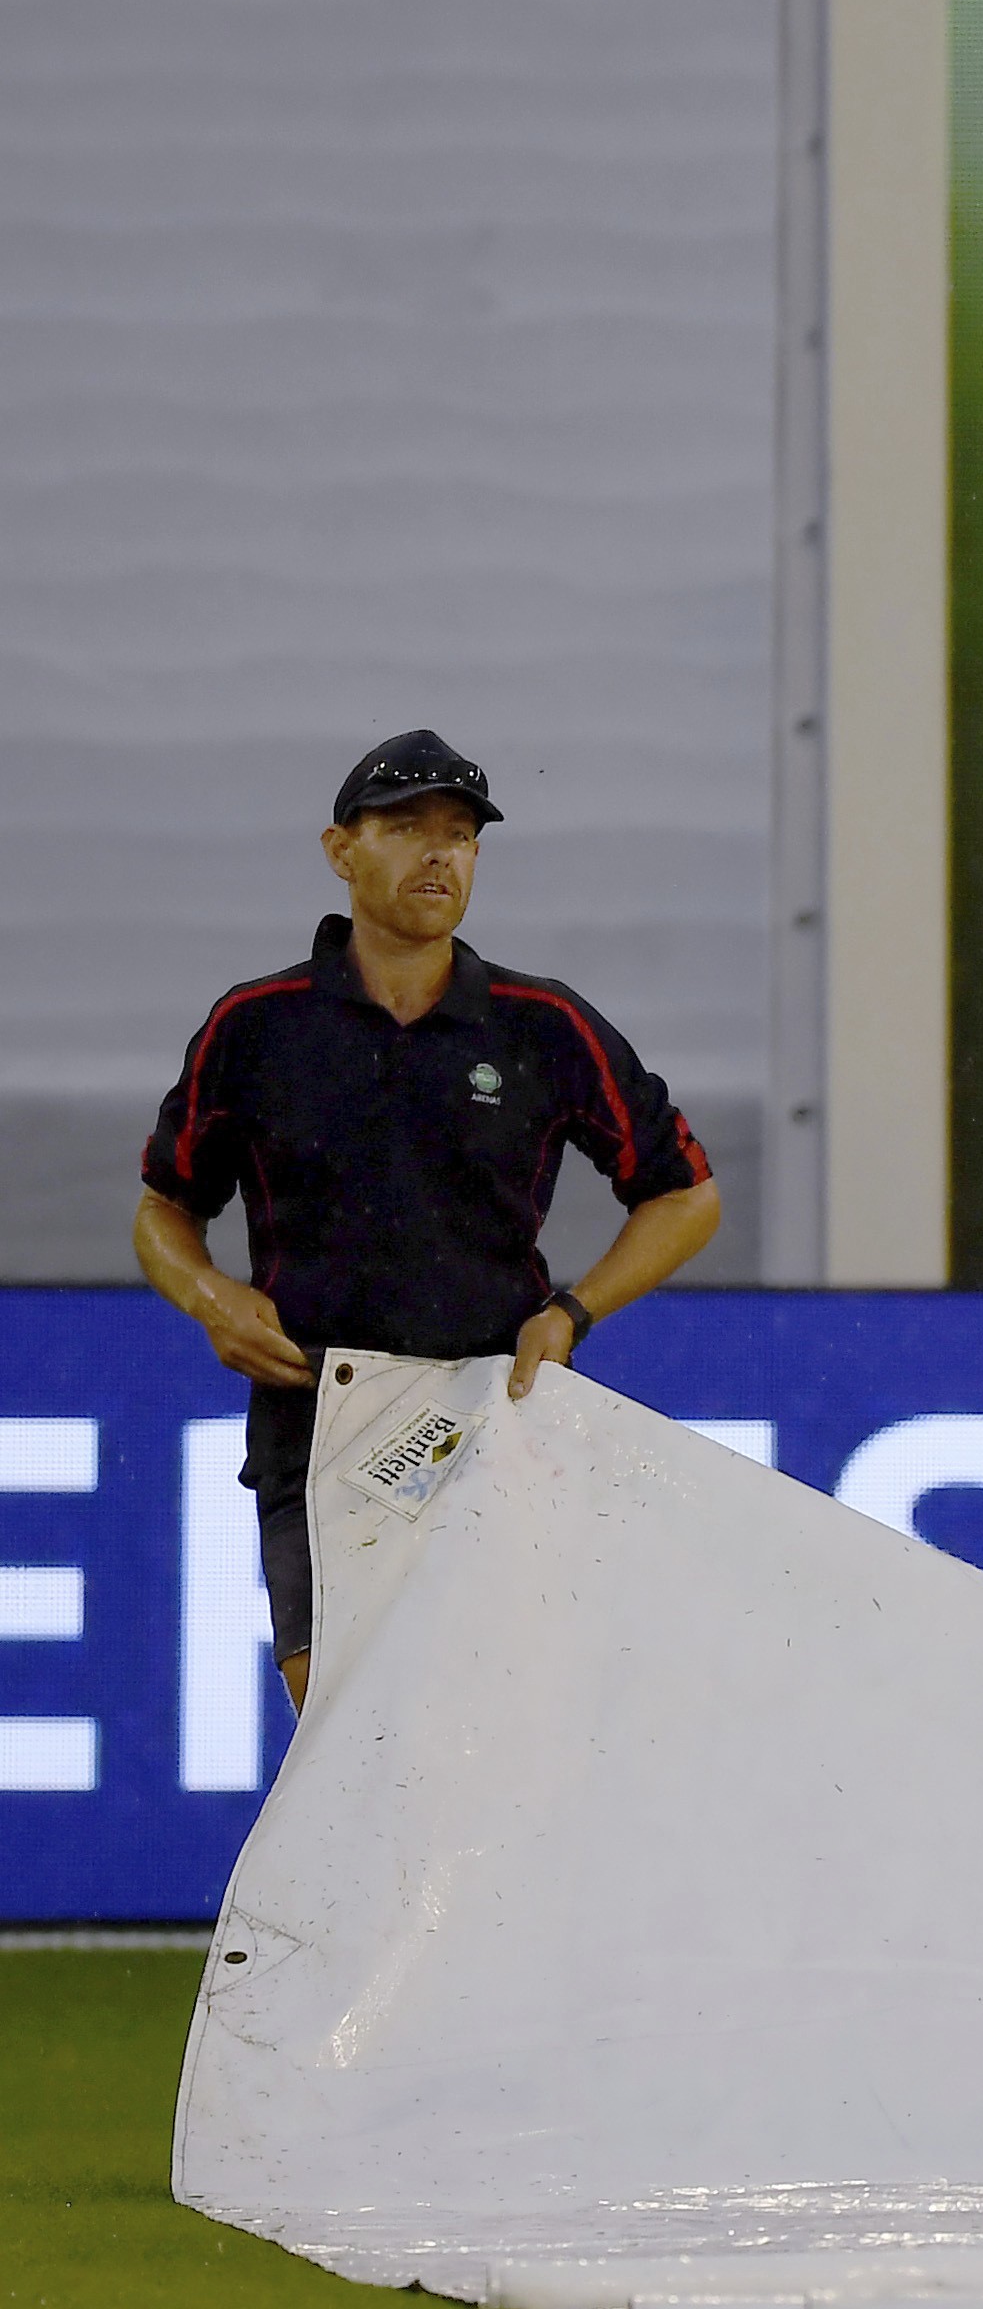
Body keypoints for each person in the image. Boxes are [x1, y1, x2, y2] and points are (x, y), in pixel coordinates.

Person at [129, 732, 721, 1709]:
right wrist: (209, 1295)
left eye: (461, 834)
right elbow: (163, 1204)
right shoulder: (259, 1025)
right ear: (340, 849)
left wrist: (572, 1311)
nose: (440, 854)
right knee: (341, 1728)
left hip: (492, 1410)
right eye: (407, 829)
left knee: (494, 1723)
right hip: (319, 1417)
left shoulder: (542, 1025)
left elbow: (685, 1192)